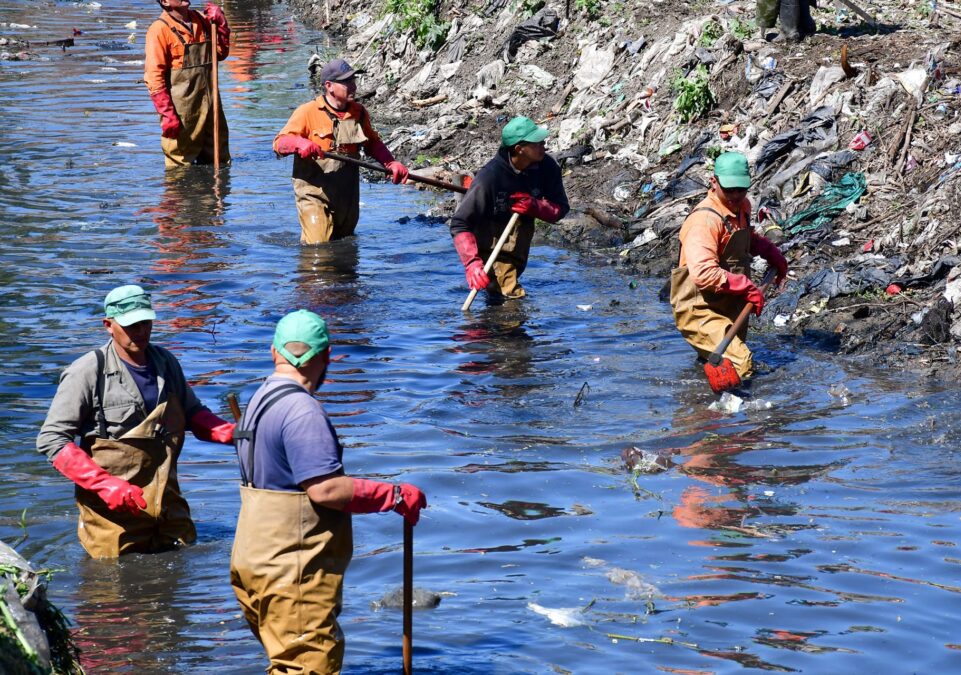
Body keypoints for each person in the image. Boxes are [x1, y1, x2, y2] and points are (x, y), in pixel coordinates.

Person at [230, 310, 427, 673]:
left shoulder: (257, 401)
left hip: (252, 562)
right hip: (292, 570)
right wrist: (394, 495)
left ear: (274, 352)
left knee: (285, 663)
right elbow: (324, 489)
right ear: (326, 356)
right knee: (308, 667)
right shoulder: (302, 411)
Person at [36, 285, 236, 559]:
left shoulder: (165, 362)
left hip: (169, 509)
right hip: (113, 516)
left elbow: (192, 413)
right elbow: (52, 440)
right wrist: (104, 484)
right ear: (108, 325)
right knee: (111, 590)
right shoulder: (87, 371)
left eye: (145, 323)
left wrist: (229, 433)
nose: (140, 332)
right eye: (131, 326)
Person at [670, 152, 788, 392]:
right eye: (729, 189)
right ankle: (724, 416)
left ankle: (704, 392)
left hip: (729, 304)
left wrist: (770, 251)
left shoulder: (742, 207)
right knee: (741, 363)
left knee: (719, 360)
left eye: (740, 189)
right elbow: (703, 273)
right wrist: (747, 287)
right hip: (699, 309)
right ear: (714, 183)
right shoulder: (704, 221)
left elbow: (743, 241)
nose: (735, 195)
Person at [273, 58, 410, 245]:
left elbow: (373, 144)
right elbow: (279, 143)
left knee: (344, 246)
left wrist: (390, 163)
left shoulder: (359, 113)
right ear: (329, 86)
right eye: (346, 82)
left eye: (353, 80)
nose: (353, 86)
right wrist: (299, 143)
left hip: (347, 197)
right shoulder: (307, 112)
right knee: (318, 247)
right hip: (314, 194)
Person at [449, 116, 570, 300]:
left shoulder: (547, 167)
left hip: (520, 240)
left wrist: (536, 206)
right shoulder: (490, 178)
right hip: (491, 244)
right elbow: (459, 223)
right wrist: (472, 264)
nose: (543, 146)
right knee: (511, 300)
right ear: (519, 149)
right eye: (537, 143)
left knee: (498, 299)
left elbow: (560, 208)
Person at [144, 0, 231, 167]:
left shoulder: (203, 20)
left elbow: (220, 53)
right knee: (180, 168)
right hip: (182, 114)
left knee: (219, 163)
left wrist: (221, 24)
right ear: (165, 2)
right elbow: (154, 77)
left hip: (211, 108)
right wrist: (167, 115)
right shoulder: (159, 29)